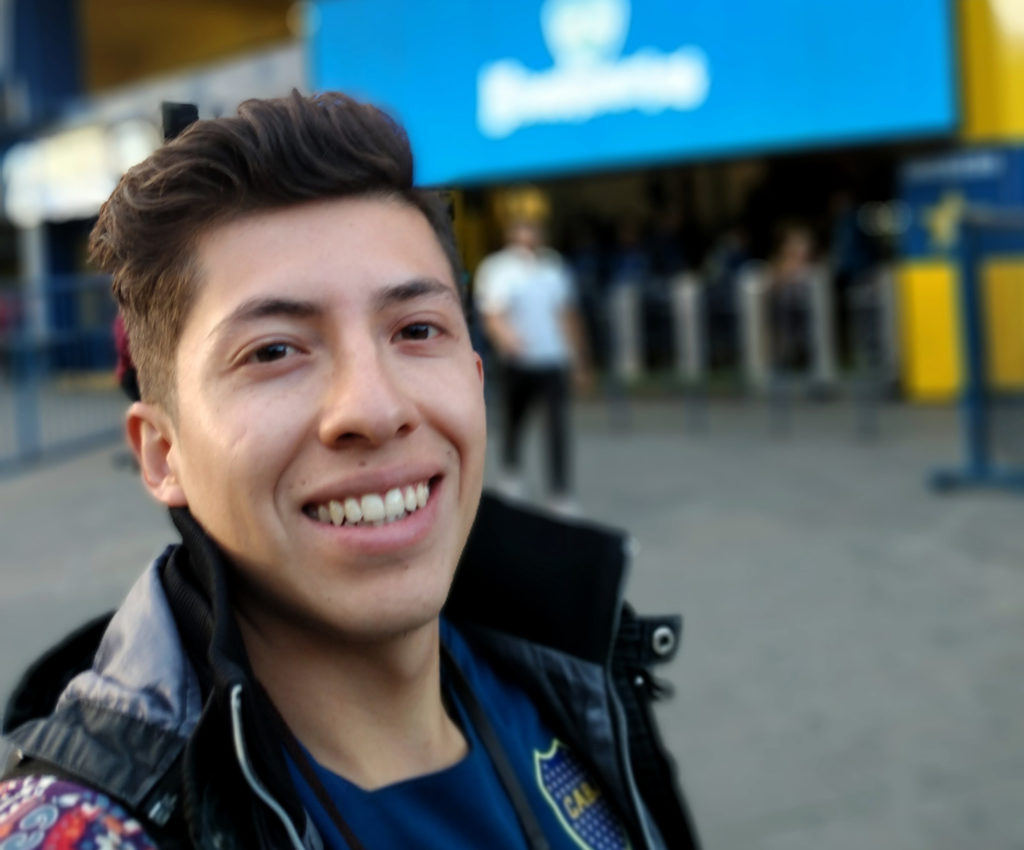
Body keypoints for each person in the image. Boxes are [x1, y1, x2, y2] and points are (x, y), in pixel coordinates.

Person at [0, 92, 698, 850]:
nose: (375, 407)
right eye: (273, 351)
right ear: (163, 454)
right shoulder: (87, 831)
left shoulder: (570, 683)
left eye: (416, 329)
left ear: (475, 380)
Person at [475, 216, 591, 512]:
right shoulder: (498, 268)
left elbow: (567, 314)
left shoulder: (553, 266)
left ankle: (560, 490)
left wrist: (579, 360)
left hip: (553, 359)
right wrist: (507, 340)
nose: (528, 236)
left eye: (533, 230)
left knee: (557, 426)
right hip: (519, 362)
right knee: (515, 420)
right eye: (522, 230)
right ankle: (511, 472)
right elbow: (492, 314)